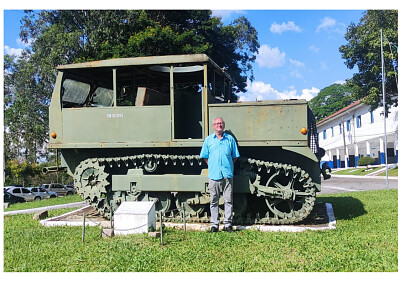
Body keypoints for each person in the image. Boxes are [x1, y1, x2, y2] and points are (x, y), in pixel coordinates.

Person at [200, 117, 240, 232]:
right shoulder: (208, 140)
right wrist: (212, 165)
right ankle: (214, 225)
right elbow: (204, 156)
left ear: (224, 125)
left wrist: (228, 166)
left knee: (228, 200)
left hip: (227, 174)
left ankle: (227, 224)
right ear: (213, 126)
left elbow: (235, 156)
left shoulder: (230, 139)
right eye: (217, 123)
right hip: (214, 174)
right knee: (214, 200)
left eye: (221, 123)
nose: (219, 125)